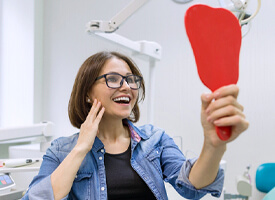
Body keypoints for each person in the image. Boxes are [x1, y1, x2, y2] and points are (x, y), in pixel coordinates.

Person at [22, 51, 249, 200]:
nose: (126, 87)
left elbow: (191, 187)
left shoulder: (154, 140)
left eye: (131, 80)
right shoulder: (61, 151)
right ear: (88, 93)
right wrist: (82, 147)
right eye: (113, 79)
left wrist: (213, 146)